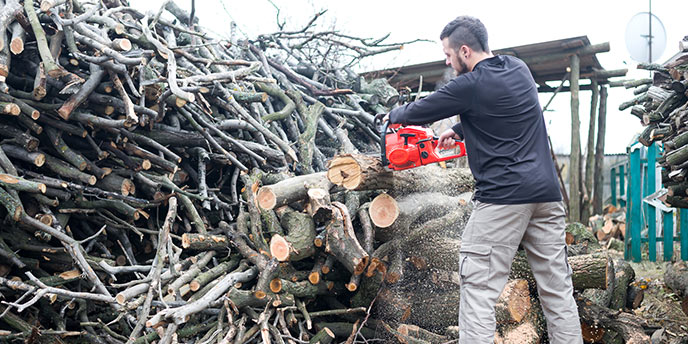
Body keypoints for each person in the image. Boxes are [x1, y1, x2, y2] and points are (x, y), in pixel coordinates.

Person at [382, 16, 583, 344]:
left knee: (478, 292)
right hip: (547, 196)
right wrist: (460, 129)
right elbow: (506, 108)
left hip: (503, 199)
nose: (447, 62)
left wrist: (394, 115)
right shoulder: (517, 69)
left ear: (464, 50)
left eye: (448, 55)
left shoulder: (469, 85)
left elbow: (426, 108)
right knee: (558, 291)